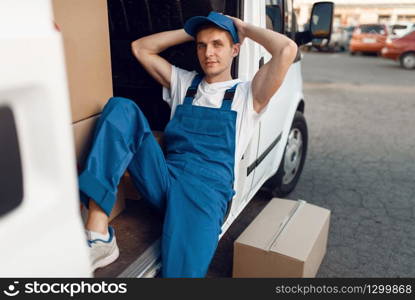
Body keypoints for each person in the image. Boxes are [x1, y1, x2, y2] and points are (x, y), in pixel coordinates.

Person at [78, 11, 297, 278]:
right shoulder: (185, 83)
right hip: (166, 180)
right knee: (120, 108)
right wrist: (190, 31)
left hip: (205, 192)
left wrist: (243, 27)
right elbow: (141, 48)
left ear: (235, 50)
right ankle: (99, 235)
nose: (208, 53)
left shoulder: (248, 94)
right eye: (201, 45)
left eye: (218, 44)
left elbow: (286, 49)